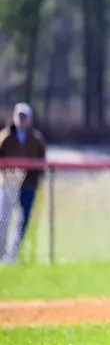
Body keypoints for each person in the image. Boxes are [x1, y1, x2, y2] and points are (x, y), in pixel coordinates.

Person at [0, 102, 46, 264]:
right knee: (4, 218)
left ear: (30, 119)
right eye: (19, 116)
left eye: (25, 117)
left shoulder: (36, 139)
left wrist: (38, 178)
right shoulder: (5, 137)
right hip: (10, 181)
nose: (22, 120)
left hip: (28, 184)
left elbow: (41, 161)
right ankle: (0, 252)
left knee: (23, 220)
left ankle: (12, 255)